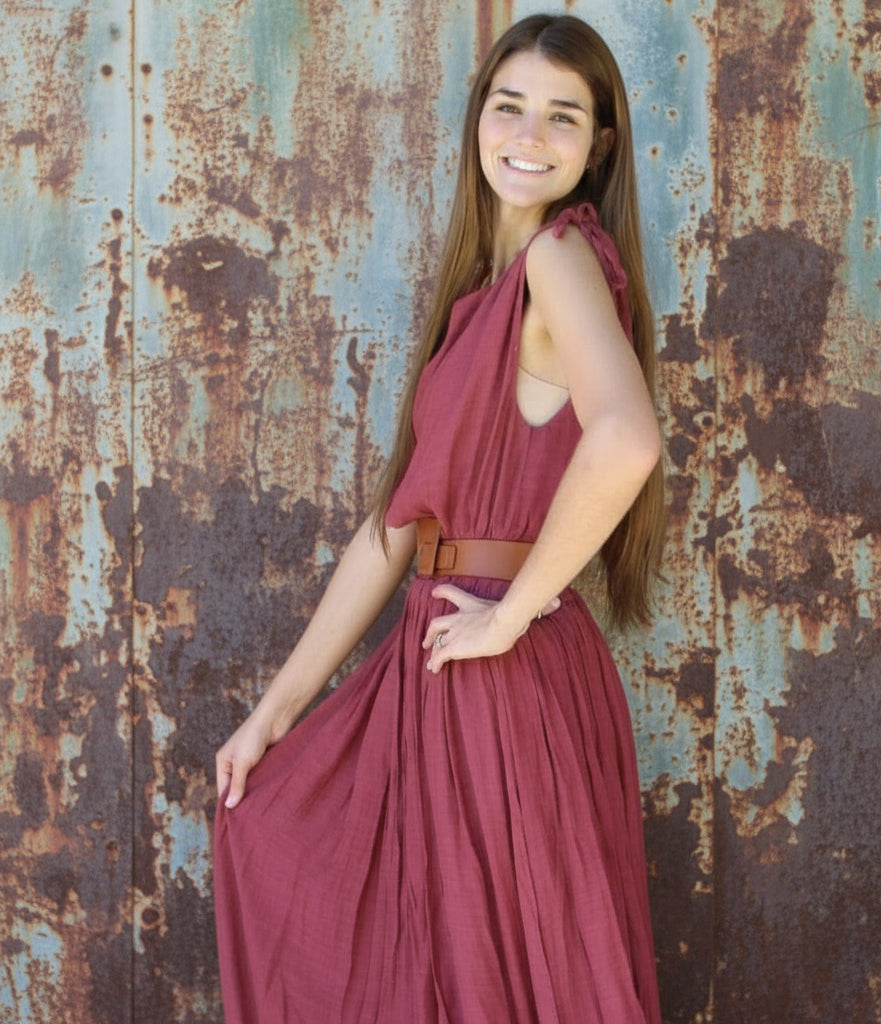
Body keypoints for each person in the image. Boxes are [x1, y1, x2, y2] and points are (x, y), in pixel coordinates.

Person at [214, 13, 665, 1023]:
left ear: (599, 146)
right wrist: (276, 707)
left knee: (500, 975)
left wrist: (508, 618)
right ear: (476, 120)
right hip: (449, 662)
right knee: (440, 964)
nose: (526, 135)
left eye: (561, 116)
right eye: (508, 107)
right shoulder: (485, 290)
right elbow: (392, 532)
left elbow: (626, 441)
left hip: (494, 670)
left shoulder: (560, 256)